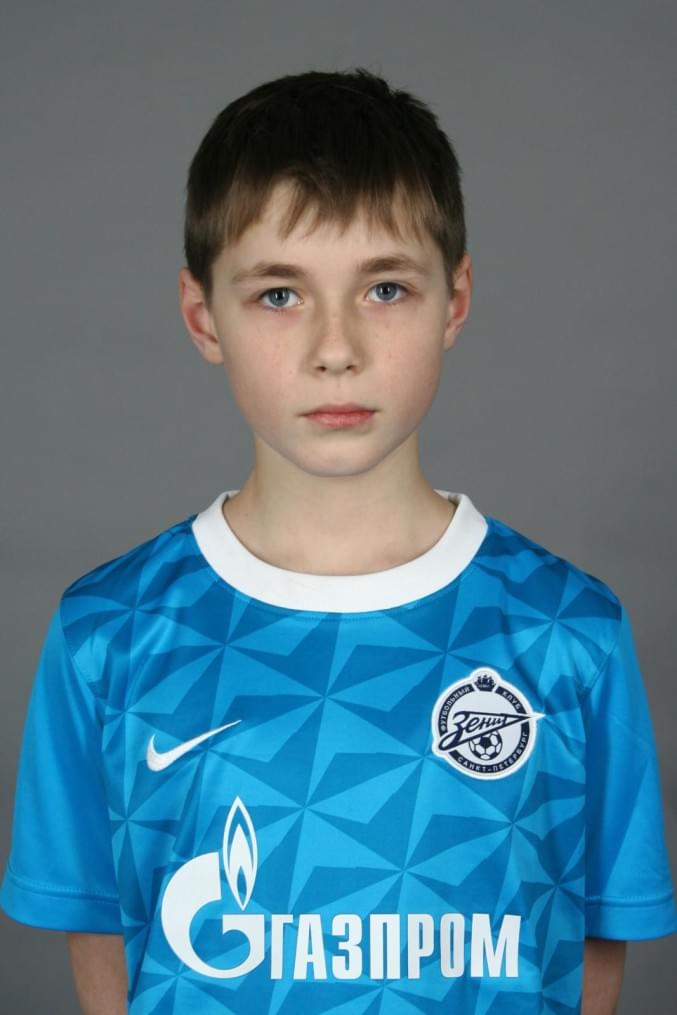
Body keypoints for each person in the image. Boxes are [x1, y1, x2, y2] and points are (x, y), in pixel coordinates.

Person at [1, 66, 675, 1015]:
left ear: (455, 300)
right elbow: (104, 940)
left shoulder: (568, 632)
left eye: (385, 288)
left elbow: (587, 948)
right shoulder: (109, 633)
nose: (335, 348)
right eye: (279, 294)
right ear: (202, 316)